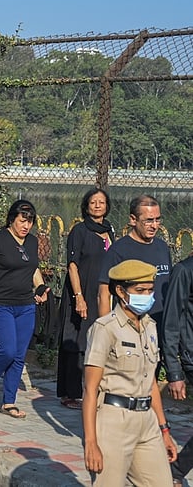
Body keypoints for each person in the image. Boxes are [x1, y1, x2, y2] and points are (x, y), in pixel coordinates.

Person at [83, 259, 176, 485]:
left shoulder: (150, 326)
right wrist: (91, 442)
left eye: (150, 290)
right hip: (114, 421)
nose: (146, 296)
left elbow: (150, 381)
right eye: (139, 290)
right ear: (120, 291)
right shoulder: (105, 329)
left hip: (147, 421)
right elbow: (90, 389)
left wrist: (164, 429)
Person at [0, 200, 49, 419]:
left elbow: (33, 268)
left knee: (18, 355)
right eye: (22, 221)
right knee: (6, 350)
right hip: (0, 304)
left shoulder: (32, 241)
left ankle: (9, 402)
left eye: (30, 222)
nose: (26, 226)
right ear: (12, 219)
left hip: (25, 305)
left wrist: (41, 286)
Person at [56, 188, 114, 410]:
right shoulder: (79, 231)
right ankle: (70, 393)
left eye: (101, 202)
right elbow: (72, 265)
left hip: (102, 293)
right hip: (81, 292)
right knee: (76, 342)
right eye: (93, 202)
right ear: (86, 206)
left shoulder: (110, 231)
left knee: (97, 341)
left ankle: (92, 388)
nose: (98, 205)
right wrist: (78, 296)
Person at [97, 195, 172, 329]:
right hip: (128, 327)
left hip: (160, 326)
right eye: (148, 221)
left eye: (157, 220)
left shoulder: (162, 248)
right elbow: (104, 294)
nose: (154, 226)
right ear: (133, 220)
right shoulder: (118, 250)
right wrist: (106, 330)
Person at [161, 254, 193, 485]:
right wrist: (174, 371)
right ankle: (177, 471)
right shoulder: (184, 271)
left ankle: (177, 471)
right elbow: (171, 322)